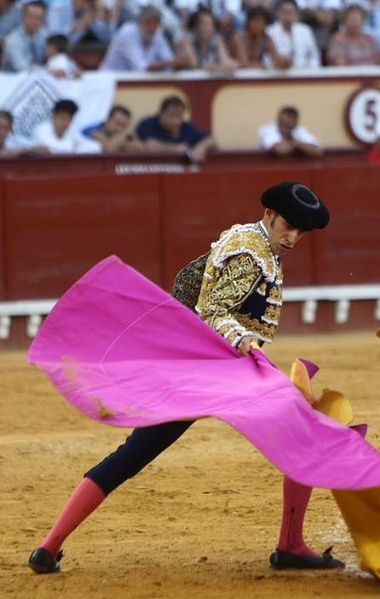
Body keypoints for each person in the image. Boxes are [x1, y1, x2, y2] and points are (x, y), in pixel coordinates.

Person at [28, 181, 338, 576]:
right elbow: (212, 310)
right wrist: (243, 342)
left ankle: (49, 545)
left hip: (207, 367)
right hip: (217, 369)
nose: (292, 237)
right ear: (269, 216)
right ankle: (291, 545)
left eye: (300, 231)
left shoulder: (249, 241)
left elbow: (187, 282)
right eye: (287, 227)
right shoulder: (250, 253)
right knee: (304, 432)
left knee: (133, 454)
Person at [135, 95, 216, 164]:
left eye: (179, 116)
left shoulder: (187, 127)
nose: (176, 121)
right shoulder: (148, 124)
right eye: (172, 115)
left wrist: (201, 147)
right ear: (161, 114)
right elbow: (149, 145)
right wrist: (175, 149)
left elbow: (210, 140)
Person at [266, 0, 321, 70]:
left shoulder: (305, 30)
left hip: (303, 75)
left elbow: (314, 56)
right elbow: (266, 58)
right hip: (278, 75)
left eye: (290, 12)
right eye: (284, 12)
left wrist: (309, 71)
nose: (287, 16)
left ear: (296, 14)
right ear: (278, 13)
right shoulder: (269, 31)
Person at [29, 99, 101, 155]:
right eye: (62, 118)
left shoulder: (70, 133)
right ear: (53, 117)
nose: (65, 123)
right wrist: (74, 149)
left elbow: (95, 147)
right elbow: (49, 149)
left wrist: (74, 149)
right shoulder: (41, 130)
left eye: (69, 119)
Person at [0, 0, 48, 71]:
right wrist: (49, 71)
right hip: (12, 79)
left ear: (43, 20)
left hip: (39, 76)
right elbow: (22, 68)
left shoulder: (45, 36)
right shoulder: (12, 40)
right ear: (23, 17)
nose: (34, 21)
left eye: (38, 18)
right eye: (30, 16)